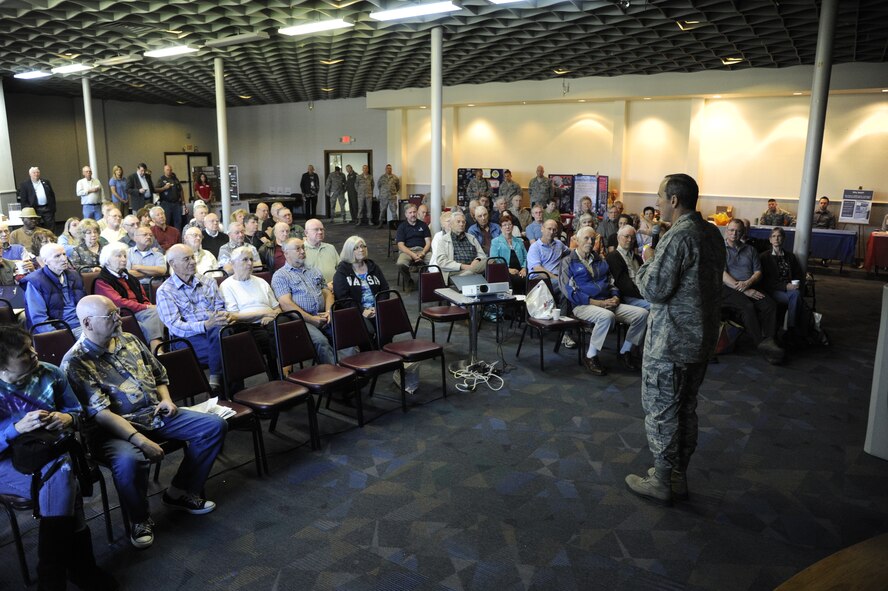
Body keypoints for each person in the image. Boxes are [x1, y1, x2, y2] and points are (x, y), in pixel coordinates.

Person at [63, 295, 226, 549]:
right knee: (131, 459)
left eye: (117, 312)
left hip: (153, 414)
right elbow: (102, 414)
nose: (119, 318)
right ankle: (139, 519)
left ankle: (180, 492)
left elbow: (159, 374)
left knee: (213, 426)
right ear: (87, 323)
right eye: (111, 316)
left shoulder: (128, 339)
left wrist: (167, 400)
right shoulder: (76, 362)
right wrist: (141, 441)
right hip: (110, 431)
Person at [622, 174, 726, 506]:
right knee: (686, 409)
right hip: (700, 338)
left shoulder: (678, 238)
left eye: (659, 197)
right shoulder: (711, 233)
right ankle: (678, 475)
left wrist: (648, 257)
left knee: (662, 412)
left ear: (674, 200)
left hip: (671, 342)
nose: (657, 203)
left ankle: (662, 480)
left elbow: (654, 289)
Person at [0, 327, 119, 590]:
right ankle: (80, 568)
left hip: (51, 451)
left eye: (32, 347)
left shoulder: (50, 373)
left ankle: (53, 578)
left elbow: (77, 414)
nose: (34, 354)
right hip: (7, 463)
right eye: (23, 353)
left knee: (62, 472)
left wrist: (67, 419)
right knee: (65, 477)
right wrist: (16, 429)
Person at [561, 227, 648, 375]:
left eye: (593, 239)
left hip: (607, 302)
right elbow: (568, 291)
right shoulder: (568, 261)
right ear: (576, 240)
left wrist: (615, 296)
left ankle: (625, 351)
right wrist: (597, 303)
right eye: (586, 238)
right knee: (606, 316)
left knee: (642, 314)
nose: (590, 242)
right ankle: (590, 356)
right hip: (583, 305)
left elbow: (611, 282)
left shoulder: (599, 260)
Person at [156, 245, 232, 390]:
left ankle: (217, 386)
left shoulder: (208, 281)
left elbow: (220, 306)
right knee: (230, 351)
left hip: (215, 331)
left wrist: (220, 317)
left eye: (193, 257)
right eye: (186, 259)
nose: (192, 262)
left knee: (222, 336)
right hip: (187, 338)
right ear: (173, 264)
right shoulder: (165, 291)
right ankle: (231, 397)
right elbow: (175, 325)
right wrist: (204, 325)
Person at [721, 219, 783, 363]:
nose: (734, 233)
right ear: (726, 230)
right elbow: (723, 276)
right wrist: (744, 290)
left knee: (770, 305)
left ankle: (770, 340)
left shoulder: (750, 250)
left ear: (743, 233)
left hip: (749, 286)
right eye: (731, 230)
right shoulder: (720, 250)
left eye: (738, 231)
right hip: (728, 288)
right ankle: (761, 344)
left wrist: (748, 283)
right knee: (747, 307)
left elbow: (758, 272)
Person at [272, 238, 336, 364]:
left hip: (323, 314)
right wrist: (311, 319)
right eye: (297, 249)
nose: (302, 251)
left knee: (344, 330)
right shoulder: (280, 275)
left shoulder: (314, 270)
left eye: (303, 248)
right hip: (301, 320)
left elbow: (327, 292)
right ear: (286, 253)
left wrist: (329, 311)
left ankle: (349, 370)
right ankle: (335, 376)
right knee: (321, 341)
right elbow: (286, 304)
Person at [219, 247, 281, 370]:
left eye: (251, 260)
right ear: (233, 264)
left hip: (271, 321)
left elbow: (278, 308)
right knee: (273, 336)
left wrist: (271, 315)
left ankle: (280, 370)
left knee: (282, 325)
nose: (250, 263)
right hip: (247, 326)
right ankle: (277, 371)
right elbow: (234, 316)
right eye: (245, 260)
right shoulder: (226, 286)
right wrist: (264, 313)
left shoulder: (261, 281)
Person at [94, 244, 164, 350]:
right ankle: (158, 350)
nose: (123, 259)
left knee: (158, 313)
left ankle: (156, 351)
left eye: (125, 256)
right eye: (118, 256)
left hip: (139, 311)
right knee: (155, 313)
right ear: (107, 259)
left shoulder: (130, 277)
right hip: (122, 314)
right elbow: (118, 303)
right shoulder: (102, 280)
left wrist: (147, 305)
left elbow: (142, 296)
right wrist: (146, 308)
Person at [527, 219, 574, 348]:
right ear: (542, 228)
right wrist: (556, 278)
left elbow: (571, 251)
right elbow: (537, 269)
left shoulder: (559, 244)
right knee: (568, 288)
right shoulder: (535, 247)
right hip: (540, 283)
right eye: (549, 229)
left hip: (557, 283)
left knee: (567, 292)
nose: (552, 232)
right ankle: (569, 329)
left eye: (554, 230)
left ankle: (565, 331)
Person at [23, 244, 86, 336]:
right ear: (45, 261)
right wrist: (56, 336)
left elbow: (85, 305)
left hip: (84, 323)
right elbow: (39, 318)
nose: (64, 259)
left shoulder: (74, 275)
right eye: (57, 256)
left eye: (64, 254)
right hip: (61, 329)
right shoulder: (35, 282)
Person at [333, 236, 389, 338]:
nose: (361, 250)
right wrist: (362, 310)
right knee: (369, 331)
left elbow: (384, 289)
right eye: (356, 248)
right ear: (349, 251)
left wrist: (378, 307)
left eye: (363, 246)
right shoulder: (343, 271)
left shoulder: (373, 267)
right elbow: (343, 298)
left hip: (376, 308)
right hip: (355, 310)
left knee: (389, 326)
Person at [759, 227, 804, 334]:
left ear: (783, 239)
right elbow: (764, 280)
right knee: (796, 297)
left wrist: (796, 283)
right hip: (772, 290)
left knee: (796, 294)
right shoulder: (764, 257)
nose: (776, 239)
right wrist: (785, 286)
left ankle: (790, 328)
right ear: (770, 240)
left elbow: (798, 274)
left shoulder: (790, 256)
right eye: (773, 236)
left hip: (790, 289)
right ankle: (791, 328)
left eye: (779, 236)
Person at [433, 211, 486, 281]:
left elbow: (482, 256)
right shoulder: (443, 240)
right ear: (451, 224)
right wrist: (462, 266)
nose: (461, 224)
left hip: (473, 268)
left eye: (463, 222)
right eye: (458, 222)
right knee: (477, 271)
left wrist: (477, 260)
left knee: (490, 261)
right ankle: (470, 274)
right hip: (455, 272)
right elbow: (442, 262)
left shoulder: (471, 238)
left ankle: (471, 273)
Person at [606, 225, 649, 310]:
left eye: (633, 238)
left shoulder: (637, 257)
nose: (630, 240)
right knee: (656, 307)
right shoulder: (613, 257)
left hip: (642, 293)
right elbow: (623, 285)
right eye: (626, 237)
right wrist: (644, 295)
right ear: (618, 238)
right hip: (627, 297)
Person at [395, 204, 432, 291]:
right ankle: (408, 281)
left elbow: (428, 242)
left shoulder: (423, 225)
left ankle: (424, 280)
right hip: (407, 251)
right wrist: (412, 255)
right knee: (400, 264)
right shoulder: (402, 227)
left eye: (414, 212)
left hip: (422, 250)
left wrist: (423, 253)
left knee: (435, 262)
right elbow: (400, 245)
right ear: (406, 214)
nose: (412, 214)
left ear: (417, 213)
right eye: (410, 212)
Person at [489, 213, 527, 293]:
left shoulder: (519, 241)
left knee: (527, 278)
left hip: (520, 270)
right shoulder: (495, 241)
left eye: (509, 224)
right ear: (500, 227)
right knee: (516, 280)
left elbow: (526, 257)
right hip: (505, 271)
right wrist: (508, 269)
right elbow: (494, 260)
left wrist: (524, 268)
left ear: (513, 226)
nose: (507, 227)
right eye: (504, 225)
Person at [303, 219, 340, 285]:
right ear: (306, 233)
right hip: (314, 291)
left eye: (322, 229)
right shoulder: (301, 251)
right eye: (316, 229)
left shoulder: (330, 247)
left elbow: (340, 269)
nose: (320, 232)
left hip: (335, 286)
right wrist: (325, 287)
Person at [156, 164, 185, 230]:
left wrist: (183, 202)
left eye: (170, 170)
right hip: (166, 203)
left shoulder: (175, 179)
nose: (169, 171)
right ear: (164, 170)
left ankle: (178, 237)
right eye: (167, 170)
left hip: (176, 203)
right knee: (166, 221)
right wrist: (164, 188)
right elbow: (155, 189)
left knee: (178, 221)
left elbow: (180, 190)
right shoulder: (161, 179)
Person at [376, 164, 401, 228]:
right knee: (382, 211)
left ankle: (395, 225)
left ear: (391, 169)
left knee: (394, 212)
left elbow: (398, 187)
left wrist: (393, 192)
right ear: (385, 169)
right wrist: (383, 192)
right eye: (387, 168)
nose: (389, 169)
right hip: (383, 197)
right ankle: (380, 224)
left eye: (390, 168)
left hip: (392, 197)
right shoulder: (382, 177)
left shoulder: (395, 177)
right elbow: (379, 186)